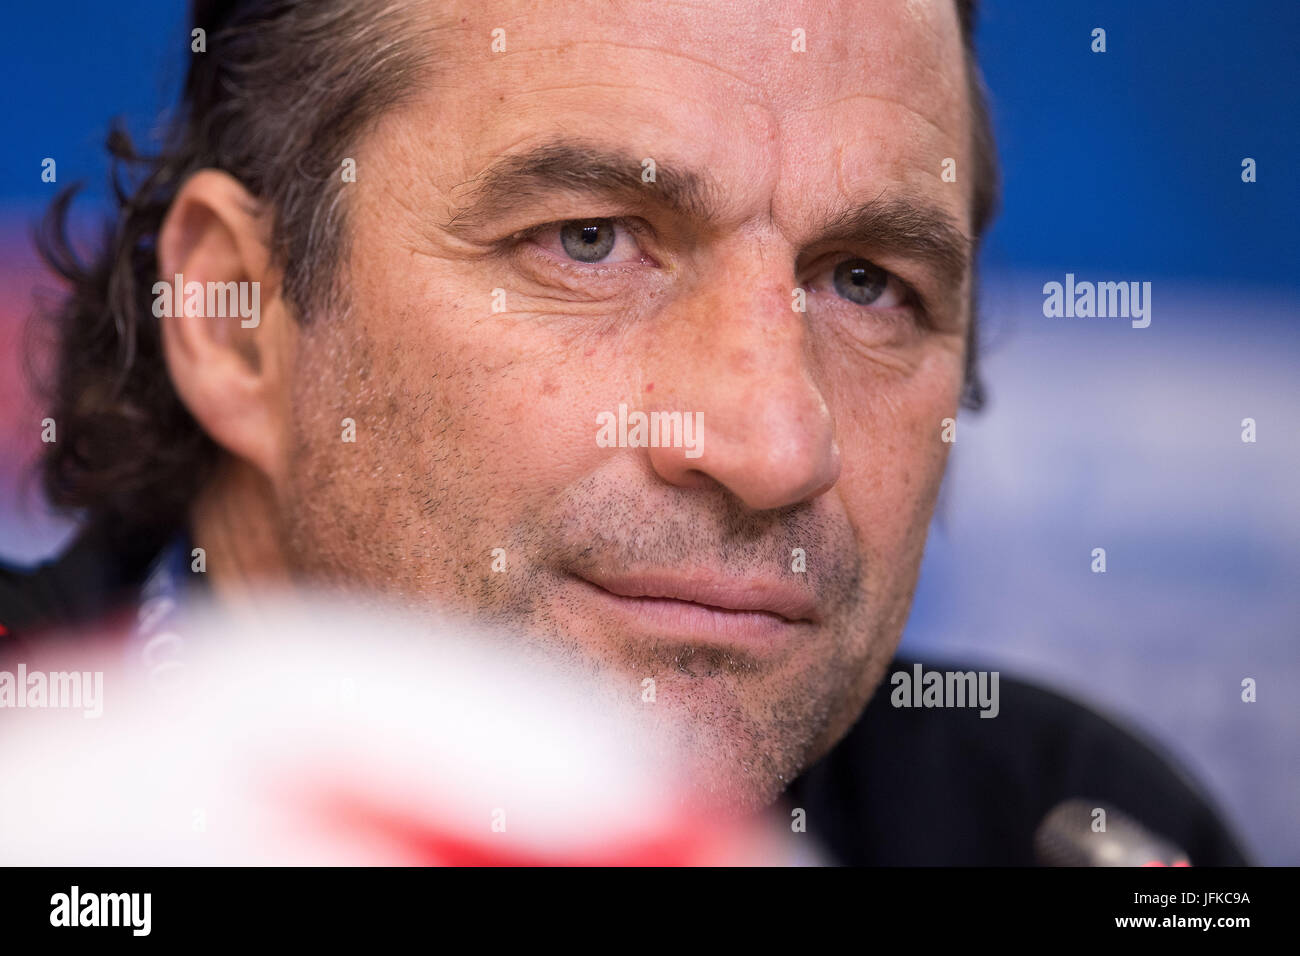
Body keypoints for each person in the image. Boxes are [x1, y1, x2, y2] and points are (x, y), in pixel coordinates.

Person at [0, 0, 1246, 863]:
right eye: (588, 240)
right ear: (237, 318)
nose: (772, 443)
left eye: (865, 281)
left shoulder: (1065, 829)